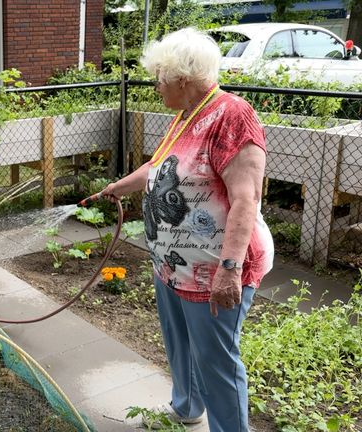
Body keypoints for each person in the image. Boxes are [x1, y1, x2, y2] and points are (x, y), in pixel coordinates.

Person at [88, 28, 273, 431]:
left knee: (216, 361)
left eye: (159, 77)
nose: (155, 86)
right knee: (180, 347)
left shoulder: (232, 115)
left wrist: (229, 268)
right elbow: (160, 167)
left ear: (182, 78)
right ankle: (187, 409)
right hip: (172, 265)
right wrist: (121, 185)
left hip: (214, 271)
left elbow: (246, 199)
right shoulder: (186, 116)